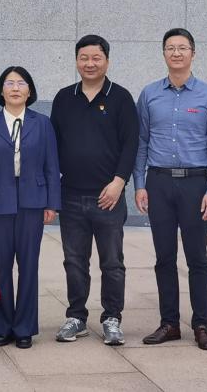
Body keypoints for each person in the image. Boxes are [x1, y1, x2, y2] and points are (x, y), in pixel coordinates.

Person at [134, 27, 207, 351]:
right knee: (164, 257)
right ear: (163, 53)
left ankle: (201, 324)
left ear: (193, 53)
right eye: (170, 48)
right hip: (158, 182)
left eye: (182, 48)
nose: (176, 53)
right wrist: (139, 184)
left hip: (195, 183)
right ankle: (169, 323)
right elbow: (141, 142)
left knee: (197, 257)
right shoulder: (149, 94)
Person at [50, 34, 137, 346]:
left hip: (108, 197)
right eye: (84, 58)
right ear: (77, 61)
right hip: (71, 195)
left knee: (112, 262)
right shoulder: (64, 98)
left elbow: (131, 144)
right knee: (74, 261)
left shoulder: (121, 98)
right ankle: (76, 317)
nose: (90, 63)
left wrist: (119, 182)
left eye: (96, 58)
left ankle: (112, 318)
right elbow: (52, 145)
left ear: (107, 61)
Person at [0, 66, 60, 349]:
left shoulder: (42, 124)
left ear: (29, 90)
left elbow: (51, 165)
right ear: (1, 90)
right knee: (1, 267)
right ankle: (2, 326)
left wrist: (52, 203)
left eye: (21, 83)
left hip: (33, 202)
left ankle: (24, 328)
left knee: (29, 266)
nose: (15, 88)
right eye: (9, 83)